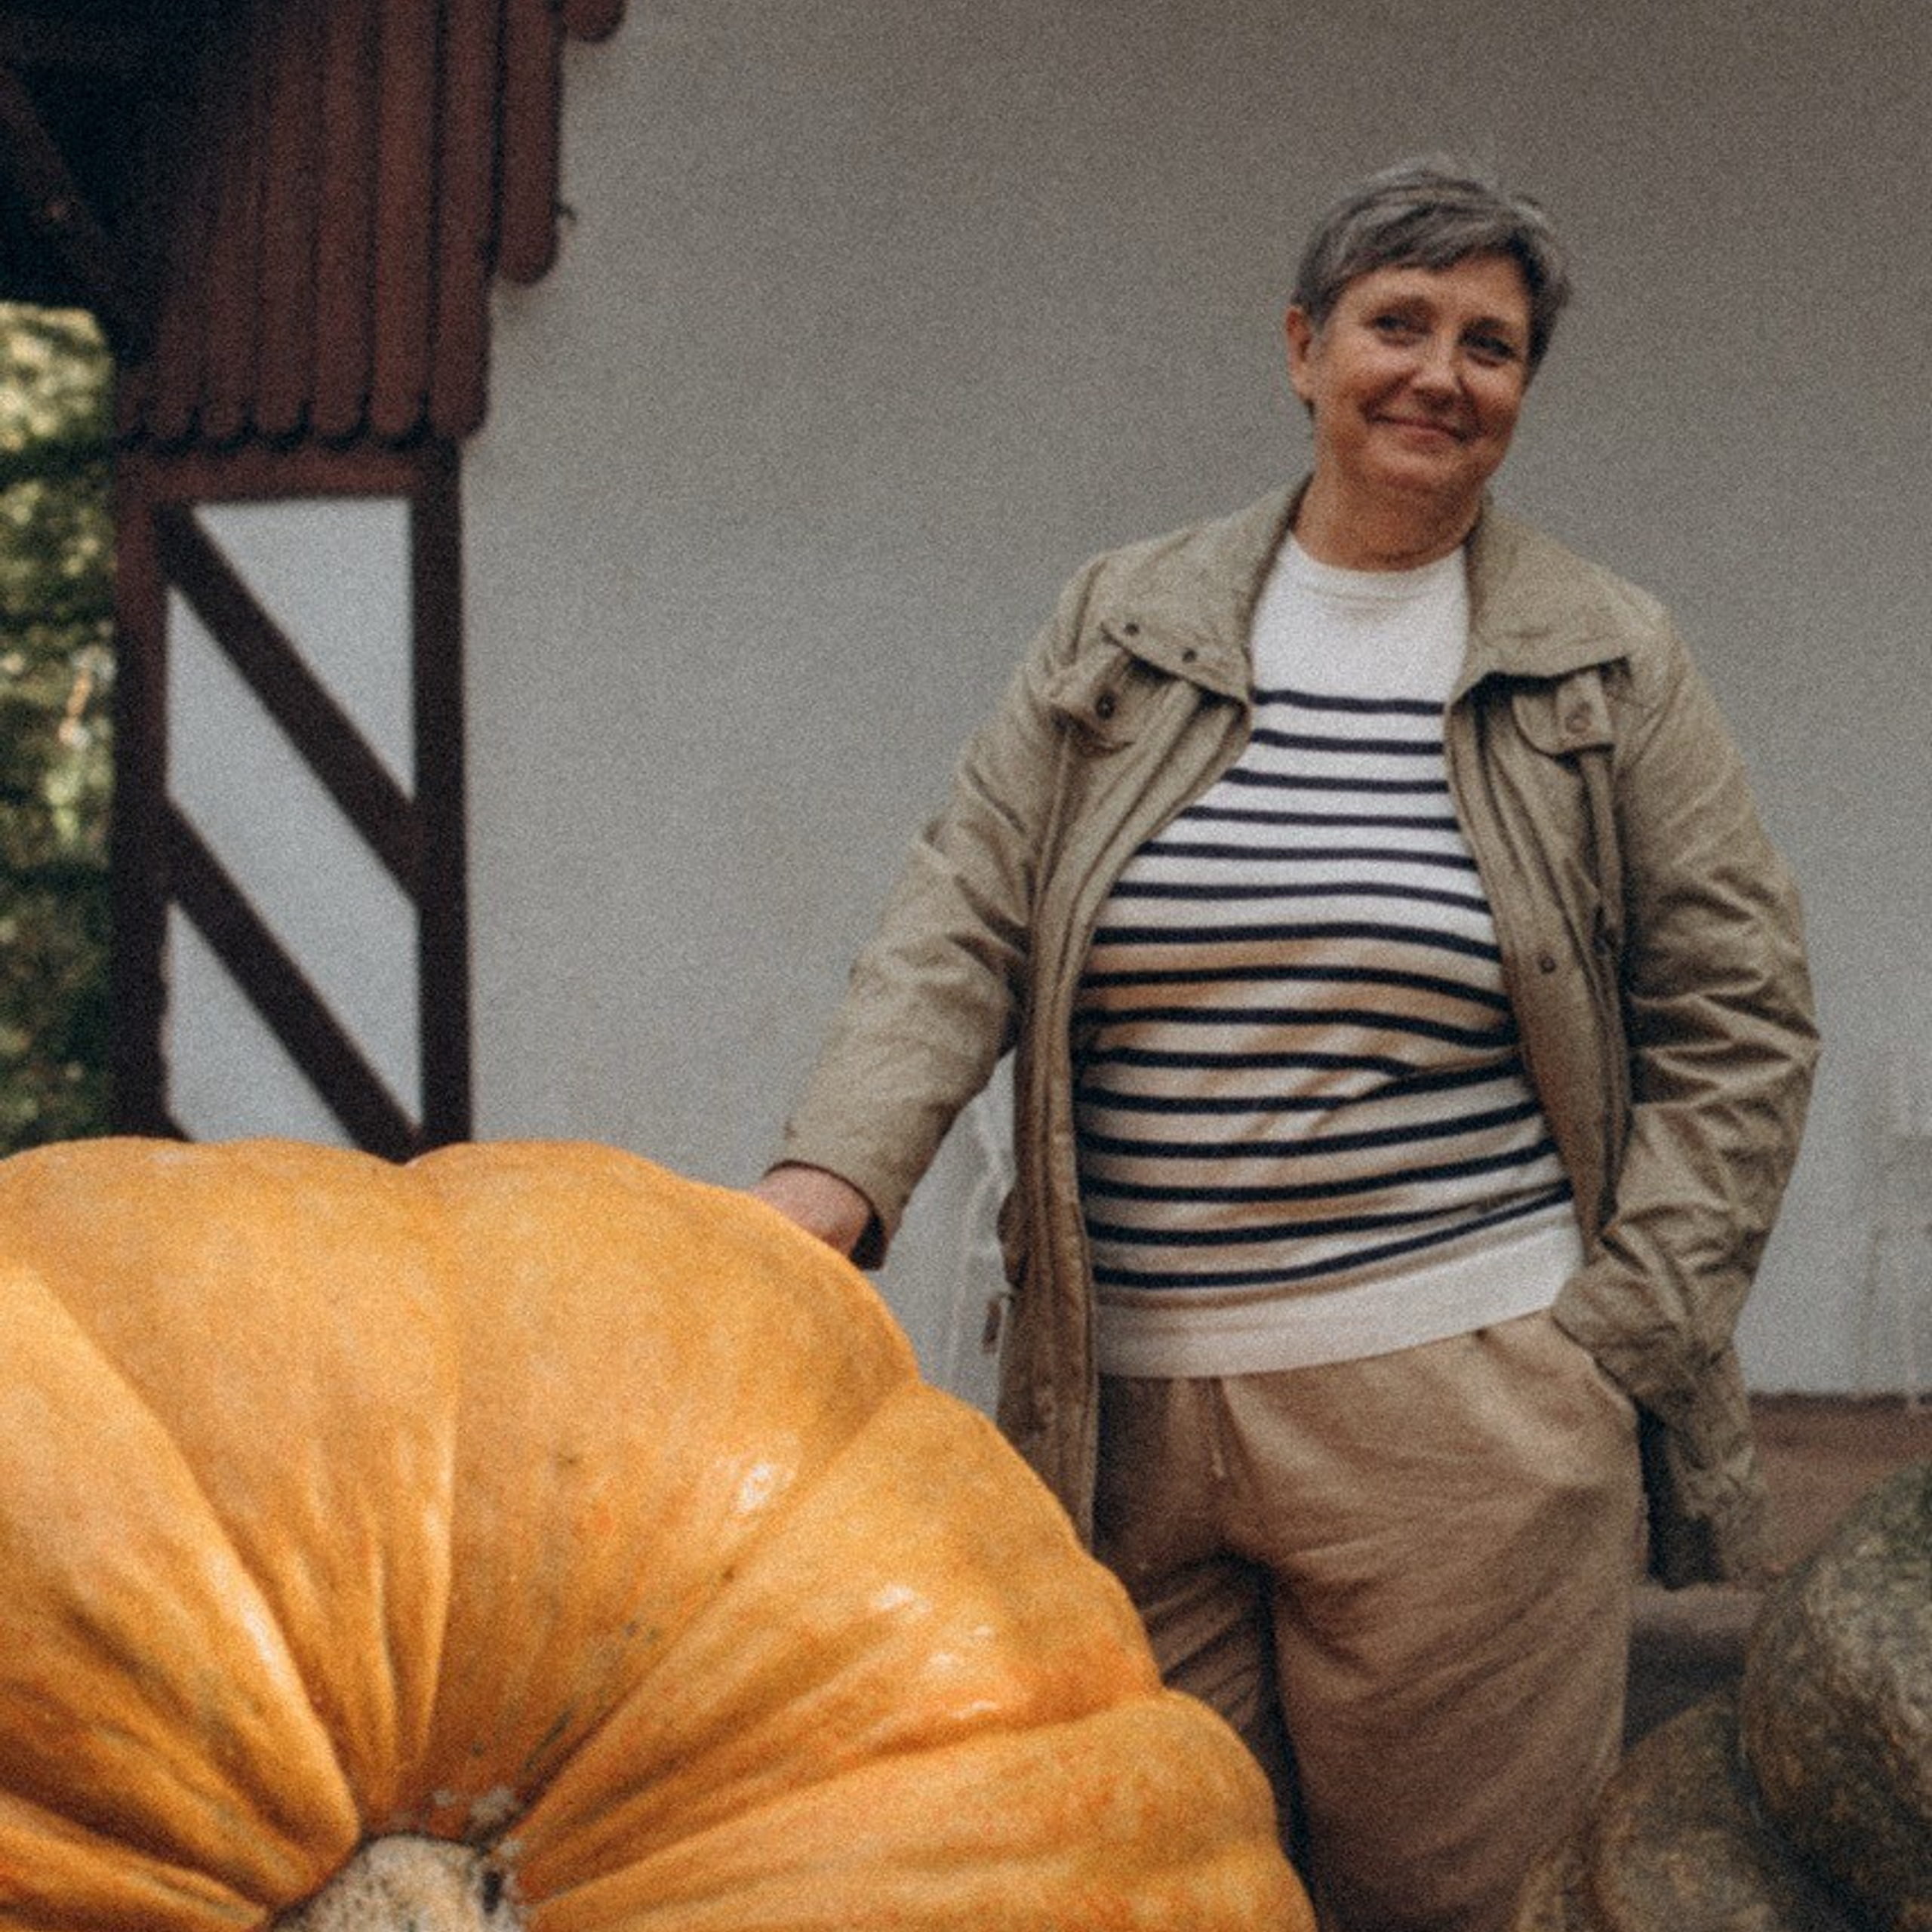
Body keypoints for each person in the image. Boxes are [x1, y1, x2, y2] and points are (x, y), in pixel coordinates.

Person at [753, 157, 1817, 1932]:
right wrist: (825, 1186)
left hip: (1463, 1418)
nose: (1438, 374)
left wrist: (1612, 1342)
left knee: (1448, 1904)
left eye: (1488, 344)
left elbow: (1741, 1009)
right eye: (1397, 322)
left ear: (1520, 390)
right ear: (1303, 346)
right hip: (1121, 1408)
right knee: (1143, 1888)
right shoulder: (1124, 624)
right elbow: (963, 912)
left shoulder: (1602, 658)